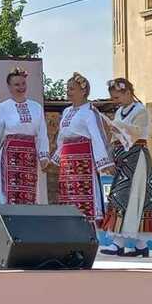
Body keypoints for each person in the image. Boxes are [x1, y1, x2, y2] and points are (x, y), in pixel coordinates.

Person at [98, 78, 152, 257]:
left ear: (127, 93)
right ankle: (139, 245)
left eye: (117, 97)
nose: (115, 101)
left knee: (134, 195)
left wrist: (117, 126)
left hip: (137, 156)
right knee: (121, 195)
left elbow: (136, 131)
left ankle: (123, 243)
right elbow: (120, 134)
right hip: (124, 158)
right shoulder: (120, 112)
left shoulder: (140, 110)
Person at [0, 67, 50, 205]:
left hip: (30, 155)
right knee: (10, 193)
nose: (21, 87)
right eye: (16, 84)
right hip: (10, 155)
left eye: (23, 83)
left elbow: (42, 133)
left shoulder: (36, 107)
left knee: (30, 193)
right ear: (9, 87)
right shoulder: (4, 107)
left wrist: (44, 155)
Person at [51, 73, 114, 223]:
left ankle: (88, 233)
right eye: (67, 89)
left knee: (84, 196)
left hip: (83, 161)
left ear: (83, 91)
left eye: (72, 89)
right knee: (68, 196)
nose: (68, 92)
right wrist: (54, 160)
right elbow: (62, 139)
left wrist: (105, 163)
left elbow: (98, 137)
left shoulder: (90, 112)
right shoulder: (66, 112)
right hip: (67, 163)